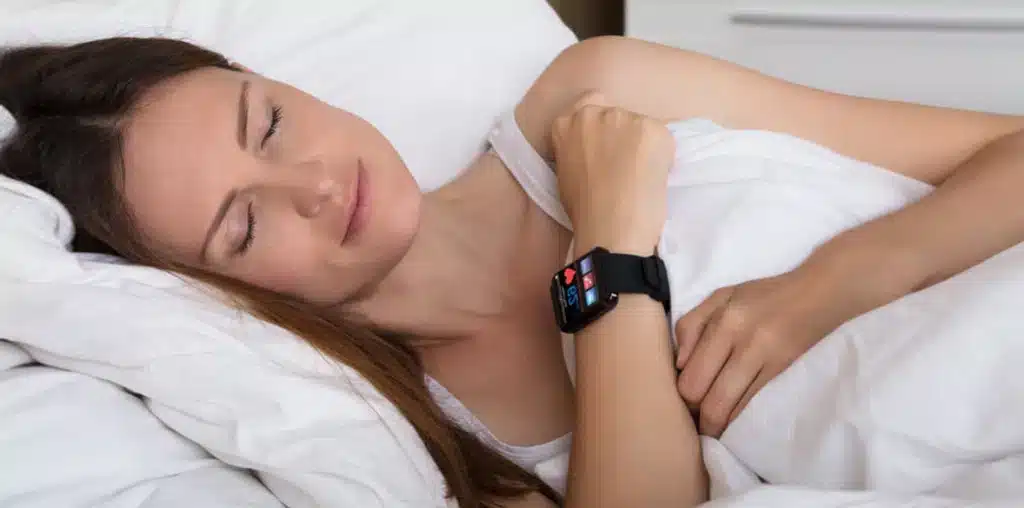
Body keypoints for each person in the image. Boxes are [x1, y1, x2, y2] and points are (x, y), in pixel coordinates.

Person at [3, 35, 1024, 508]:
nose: (312, 184)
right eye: (244, 224)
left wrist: (844, 276)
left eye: (268, 123)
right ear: (216, 295)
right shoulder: (428, 441)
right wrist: (609, 249)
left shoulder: (592, 93)